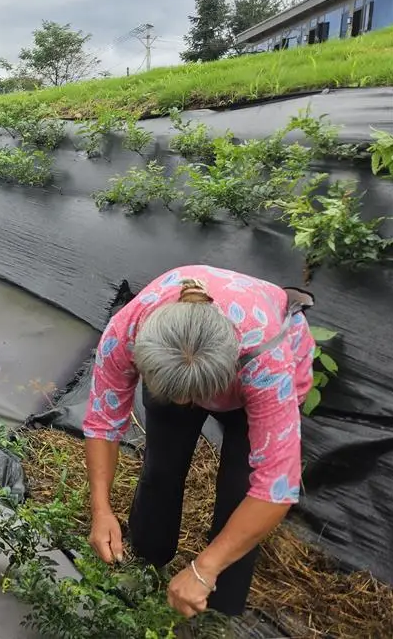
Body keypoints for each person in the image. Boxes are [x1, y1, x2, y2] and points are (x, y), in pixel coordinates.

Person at [83, 264, 315, 620]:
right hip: (178, 359)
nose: (185, 405)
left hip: (258, 358)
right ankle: (146, 560)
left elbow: (275, 487)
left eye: (193, 396)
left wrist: (203, 568)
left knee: (238, 496)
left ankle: (215, 610)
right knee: (161, 468)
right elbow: (103, 422)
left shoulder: (267, 361)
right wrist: (101, 510)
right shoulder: (129, 330)